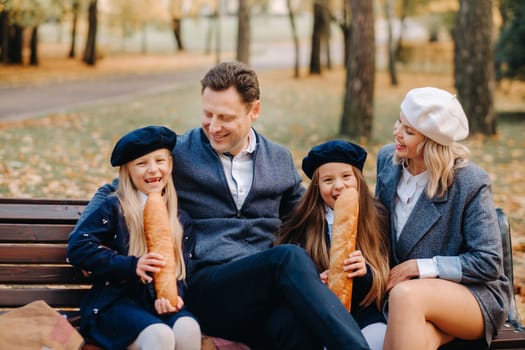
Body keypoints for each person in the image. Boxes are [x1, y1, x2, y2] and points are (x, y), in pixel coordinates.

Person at [76, 61, 370, 349]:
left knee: (294, 328)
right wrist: (85, 233)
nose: (213, 127)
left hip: (262, 293)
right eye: (208, 115)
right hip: (207, 287)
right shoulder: (181, 154)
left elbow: (306, 214)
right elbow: (115, 189)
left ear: (254, 110)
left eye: (225, 118)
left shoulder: (279, 159)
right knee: (287, 259)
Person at [375, 87, 512, 349]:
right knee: (420, 336)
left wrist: (421, 267)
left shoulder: (469, 181)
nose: (397, 133)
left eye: (409, 131)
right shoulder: (388, 160)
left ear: (431, 141)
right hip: (405, 298)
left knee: (404, 296)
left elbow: (489, 261)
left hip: (473, 294)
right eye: (399, 122)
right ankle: (440, 333)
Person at [67, 126, 201, 350]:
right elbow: (79, 248)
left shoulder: (180, 219)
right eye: (141, 163)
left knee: (188, 328)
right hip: (114, 304)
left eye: (160, 160)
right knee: (159, 335)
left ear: (170, 164)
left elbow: (181, 271)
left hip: (153, 304)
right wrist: (132, 265)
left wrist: (173, 297)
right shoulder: (115, 207)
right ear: (127, 171)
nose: (152, 169)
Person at [275, 140, 390, 350]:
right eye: (328, 180)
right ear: (317, 188)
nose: (339, 185)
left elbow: (384, 274)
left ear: (359, 179)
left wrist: (365, 272)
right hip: (321, 313)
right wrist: (312, 281)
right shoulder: (304, 222)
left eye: (346, 176)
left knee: (378, 339)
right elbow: (288, 269)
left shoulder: (377, 216)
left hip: (365, 312)